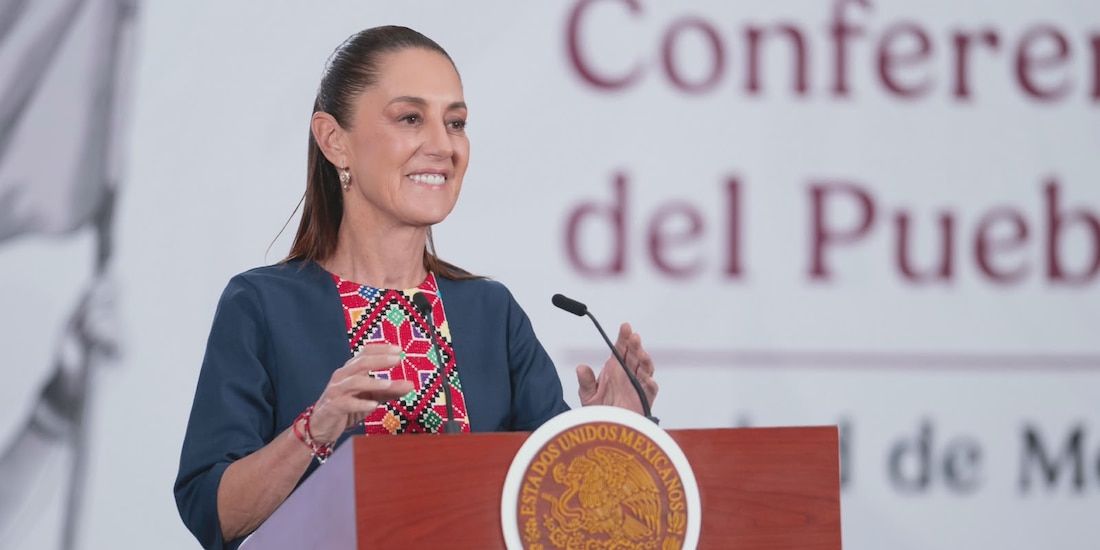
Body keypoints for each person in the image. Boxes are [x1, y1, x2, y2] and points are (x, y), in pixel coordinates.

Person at [173, 25, 658, 550]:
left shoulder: (489, 313)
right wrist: (316, 427)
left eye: (456, 123)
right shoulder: (262, 305)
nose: (442, 146)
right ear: (334, 140)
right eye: (410, 118)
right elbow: (213, 513)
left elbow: (562, 516)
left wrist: (613, 438)